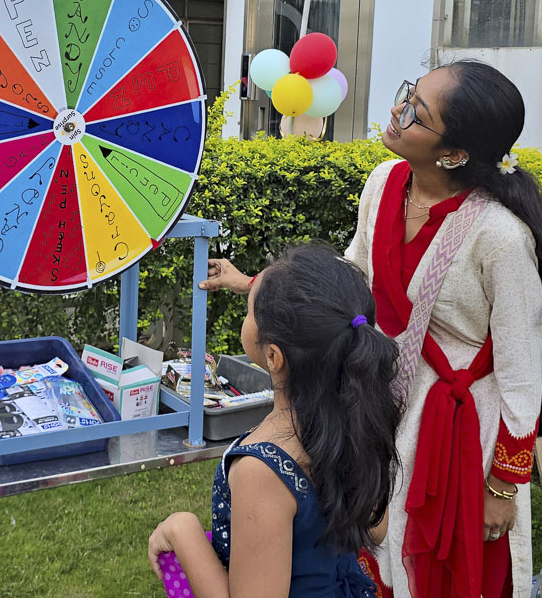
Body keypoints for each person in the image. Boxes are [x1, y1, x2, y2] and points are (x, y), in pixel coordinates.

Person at [200, 61, 542, 598]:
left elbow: (522, 373)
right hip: (384, 395)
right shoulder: (384, 183)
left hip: (459, 431)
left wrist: (503, 485)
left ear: (454, 153)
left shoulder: (500, 236)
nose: (398, 110)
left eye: (417, 112)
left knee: (448, 567)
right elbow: (352, 278)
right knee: (380, 540)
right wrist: (259, 289)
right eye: (409, 94)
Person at [149, 243, 401, 598]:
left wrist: (183, 531)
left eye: (249, 311)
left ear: (272, 356)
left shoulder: (262, 471)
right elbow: (376, 528)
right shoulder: (357, 422)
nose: (247, 314)